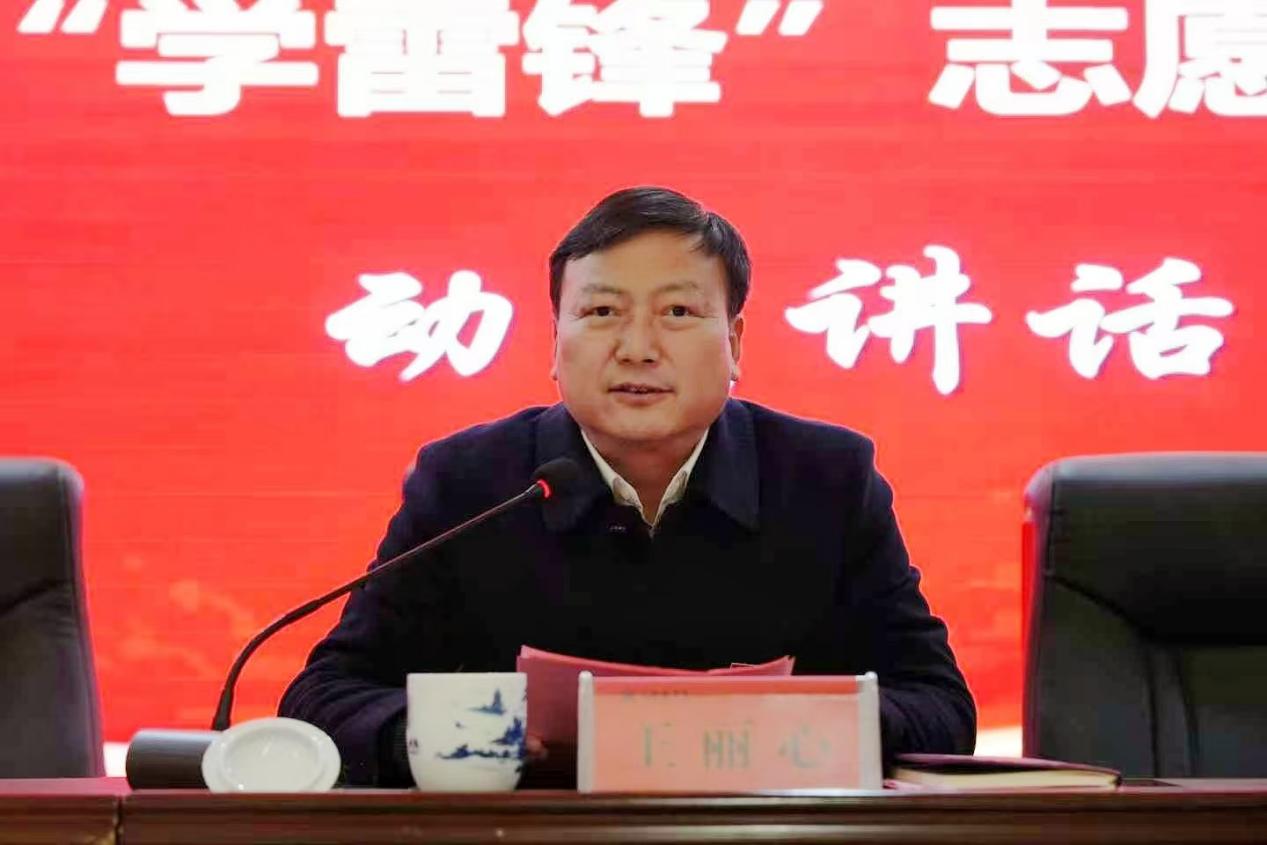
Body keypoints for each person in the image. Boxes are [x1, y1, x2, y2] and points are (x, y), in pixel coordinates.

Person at [279, 186, 976, 786]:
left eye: (677, 314)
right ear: (555, 342)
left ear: (734, 342)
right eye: (601, 313)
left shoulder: (827, 478)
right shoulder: (470, 483)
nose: (637, 348)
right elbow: (324, 697)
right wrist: (454, 735)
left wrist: (803, 723)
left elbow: (940, 706)